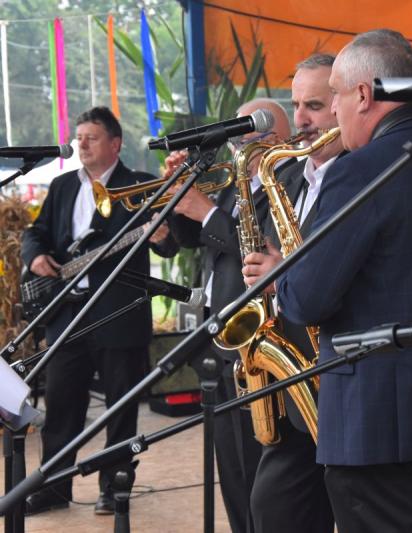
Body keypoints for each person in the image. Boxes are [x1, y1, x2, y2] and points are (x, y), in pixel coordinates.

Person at [253, 29, 412, 532]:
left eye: (335, 96)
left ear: (364, 95)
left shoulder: (356, 171)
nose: (335, 112)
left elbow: (306, 301)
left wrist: (282, 275)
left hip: (372, 431)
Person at [21, 106, 170, 515]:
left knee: (120, 410)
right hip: (66, 315)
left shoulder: (139, 185)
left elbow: (171, 243)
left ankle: (114, 488)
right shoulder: (63, 185)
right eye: (79, 137)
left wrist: (161, 236)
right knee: (60, 408)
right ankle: (53, 489)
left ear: (115, 144)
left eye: (92, 138)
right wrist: (35, 257)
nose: (82, 145)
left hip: (118, 315)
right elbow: (36, 233)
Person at [152, 98, 292, 533]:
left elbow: (262, 249)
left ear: (277, 138)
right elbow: (194, 238)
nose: (239, 147)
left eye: (249, 137)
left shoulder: (286, 181)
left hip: (257, 336)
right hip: (219, 333)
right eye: (236, 139)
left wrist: (207, 210)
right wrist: (178, 197)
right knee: (230, 464)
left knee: (257, 463)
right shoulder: (237, 181)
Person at [240, 53, 342, 533]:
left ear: (346, 104)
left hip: (332, 373)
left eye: (314, 106)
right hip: (289, 376)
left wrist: (283, 270)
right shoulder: (287, 175)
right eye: (296, 104)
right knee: (273, 509)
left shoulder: (358, 176)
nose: (300, 119)